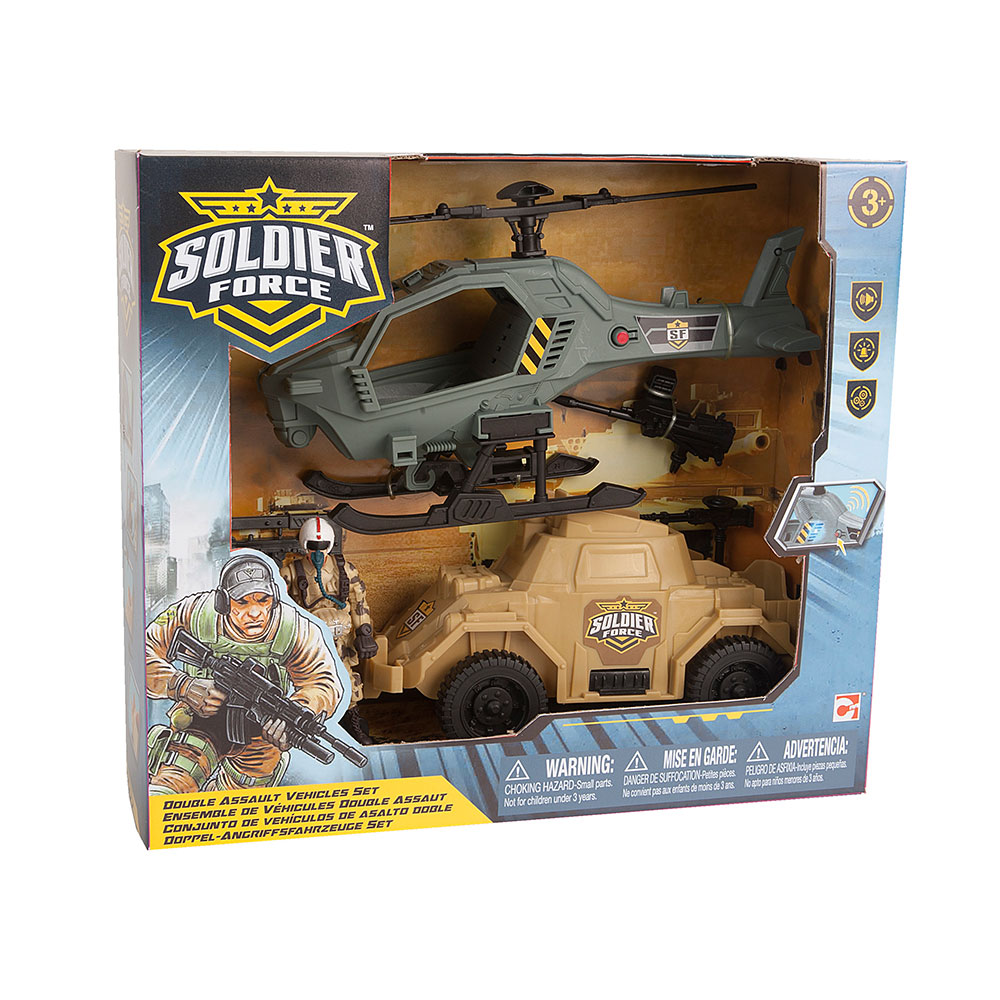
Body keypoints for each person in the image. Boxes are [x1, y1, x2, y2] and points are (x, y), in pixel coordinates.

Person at [145, 551, 344, 794]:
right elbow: (142, 651)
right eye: (242, 602)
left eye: (263, 600)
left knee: (241, 801)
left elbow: (323, 682)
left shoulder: (294, 629)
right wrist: (181, 685)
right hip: (198, 722)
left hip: (259, 738)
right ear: (223, 601)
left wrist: (302, 709)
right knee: (169, 790)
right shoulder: (195, 613)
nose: (255, 612)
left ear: (274, 597)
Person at [280, 517, 377, 743]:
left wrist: (364, 632)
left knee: (348, 681)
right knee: (307, 684)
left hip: (339, 640)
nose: (318, 552)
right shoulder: (290, 573)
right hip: (308, 642)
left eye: (322, 547)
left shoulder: (345, 571)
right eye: (312, 547)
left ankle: (353, 723)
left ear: (330, 545)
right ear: (304, 545)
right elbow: (279, 605)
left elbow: (359, 601)